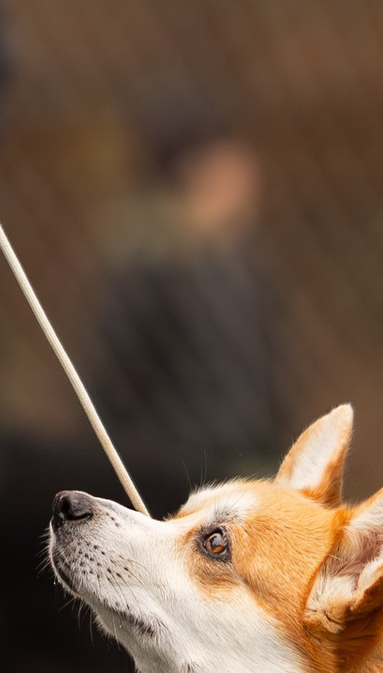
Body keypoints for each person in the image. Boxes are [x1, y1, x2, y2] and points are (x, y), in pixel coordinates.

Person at [86, 101, 288, 513]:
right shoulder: (149, 264)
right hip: (184, 479)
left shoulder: (240, 258)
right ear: (196, 170)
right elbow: (118, 390)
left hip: (252, 464)